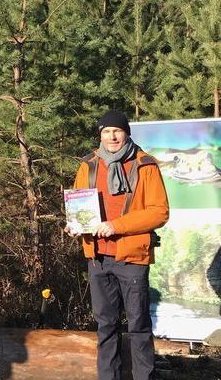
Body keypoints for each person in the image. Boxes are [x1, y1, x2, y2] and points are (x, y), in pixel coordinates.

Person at [66, 110, 169, 380]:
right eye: (106, 131)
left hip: (132, 258)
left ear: (126, 133)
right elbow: (78, 205)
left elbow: (160, 212)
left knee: (138, 327)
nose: (112, 136)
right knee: (106, 327)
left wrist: (116, 226)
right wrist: (74, 224)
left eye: (117, 131)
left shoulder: (146, 164)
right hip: (98, 258)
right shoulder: (88, 165)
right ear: (100, 135)